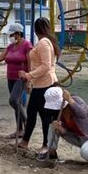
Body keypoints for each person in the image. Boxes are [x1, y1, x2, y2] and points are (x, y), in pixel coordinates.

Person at [18, 17, 60, 154]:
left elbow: (46, 66)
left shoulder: (43, 43)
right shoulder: (48, 42)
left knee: (42, 115)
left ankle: (44, 144)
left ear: (36, 30)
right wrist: (30, 80)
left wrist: (28, 76)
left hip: (45, 84)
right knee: (34, 113)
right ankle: (27, 141)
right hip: (41, 83)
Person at [0, 23, 32, 138]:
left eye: (12, 34)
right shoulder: (10, 47)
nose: (10, 36)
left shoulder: (27, 45)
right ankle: (19, 130)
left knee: (13, 100)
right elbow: (0, 58)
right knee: (17, 104)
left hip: (22, 78)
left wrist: (29, 80)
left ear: (18, 34)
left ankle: (27, 122)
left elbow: (30, 63)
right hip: (10, 78)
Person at [42, 86, 88, 163]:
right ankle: (51, 153)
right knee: (53, 126)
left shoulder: (76, 100)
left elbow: (82, 113)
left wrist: (70, 100)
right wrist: (60, 129)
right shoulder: (57, 113)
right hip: (77, 138)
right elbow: (67, 132)